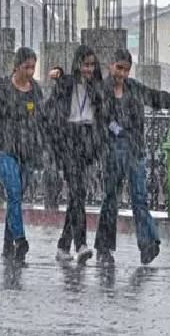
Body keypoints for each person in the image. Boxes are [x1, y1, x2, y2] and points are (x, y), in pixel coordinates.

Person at [94, 49, 170, 265]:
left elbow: (153, 96)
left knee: (140, 198)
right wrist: (115, 133)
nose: (122, 74)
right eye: (119, 68)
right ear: (111, 66)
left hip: (135, 150)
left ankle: (147, 245)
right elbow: (101, 119)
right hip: (112, 152)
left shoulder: (134, 88)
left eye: (126, 70)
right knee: (110, 199)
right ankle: (104, 247)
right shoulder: (102, 91)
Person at [0, 47, 45, 262]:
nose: (30, 71)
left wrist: (39, 149)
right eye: (27, 67)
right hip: (4, 150)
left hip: (26, 153)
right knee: (14, 193)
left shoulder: (35, 91)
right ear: (16, 66)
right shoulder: (2, 88)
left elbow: (40, 121)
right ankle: (19, 238)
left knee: (15, 199)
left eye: (33, 67)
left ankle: (8, 246)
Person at [45, 45, 106, 264]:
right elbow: (52, 109)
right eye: (85, 64)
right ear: (78, 65)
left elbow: (103, 114)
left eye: (92, 65)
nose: (89, 69)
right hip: (69, 140)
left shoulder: (97, 88)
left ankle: (63, 245)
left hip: (86, 141)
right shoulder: (67, 83)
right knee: (78, 192)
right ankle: (81, 244)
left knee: (77, 196)